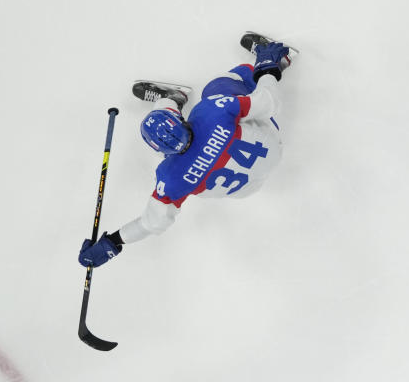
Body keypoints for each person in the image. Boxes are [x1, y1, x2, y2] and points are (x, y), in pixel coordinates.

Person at [77, 32, 296, 269]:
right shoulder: (214, 111)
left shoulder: (171, 178)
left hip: (247, 189)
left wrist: (112, 243)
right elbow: (268, 102)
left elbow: (152, 223)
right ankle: (277, 60)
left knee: (186, 165)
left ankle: (171, 98)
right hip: (272, 149)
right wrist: (267, 68)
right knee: (220, 86)